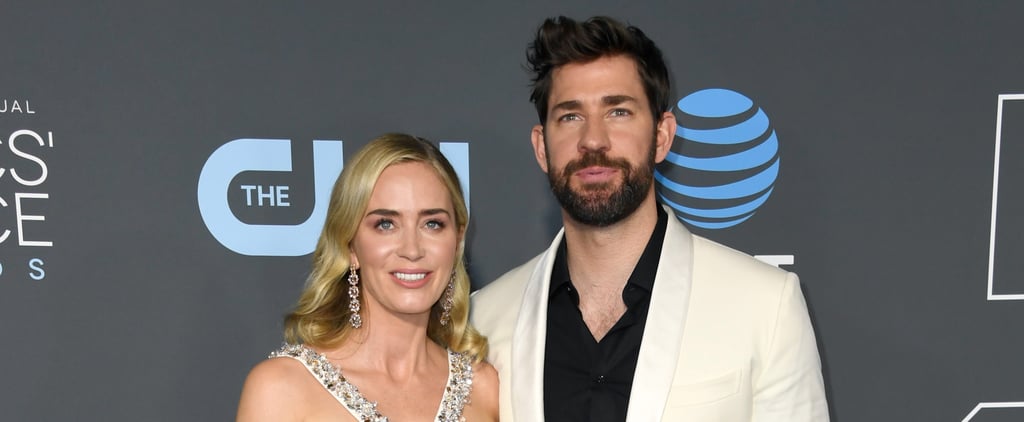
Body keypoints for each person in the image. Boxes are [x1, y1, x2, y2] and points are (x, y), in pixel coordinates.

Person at [470, 16, 829, 421]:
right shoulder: (482, 320)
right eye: (570, 116)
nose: (593, 139)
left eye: (618, 112)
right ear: (541, 147)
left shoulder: (766, 306)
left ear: (662, 136)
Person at [238, 134, 499, 421]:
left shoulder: (484, 389)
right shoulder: (283, 388)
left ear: (458, 240)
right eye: (385, 224)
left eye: (432, 224)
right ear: (350, 244)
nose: (412, 250)